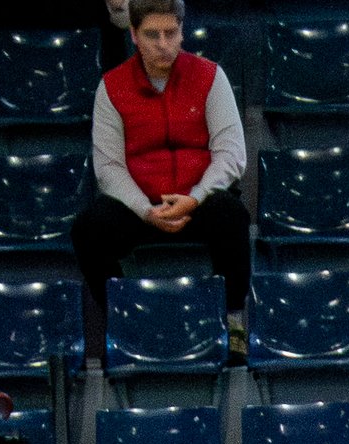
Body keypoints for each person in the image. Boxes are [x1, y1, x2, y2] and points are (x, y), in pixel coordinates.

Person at [70, 0, 250, 331]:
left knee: (232, 214)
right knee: (87, 230)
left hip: (197, 200)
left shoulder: (211, 77)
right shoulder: (111, 87)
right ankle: (122, 322)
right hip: (142, 205)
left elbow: (231, 153)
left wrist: (195, 197)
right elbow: (108, 168)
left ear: (182, 33)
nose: (163, 44)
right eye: (153, 35)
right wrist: (145, 209)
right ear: (135, 35)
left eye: (171, 33)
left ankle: (233, 320)